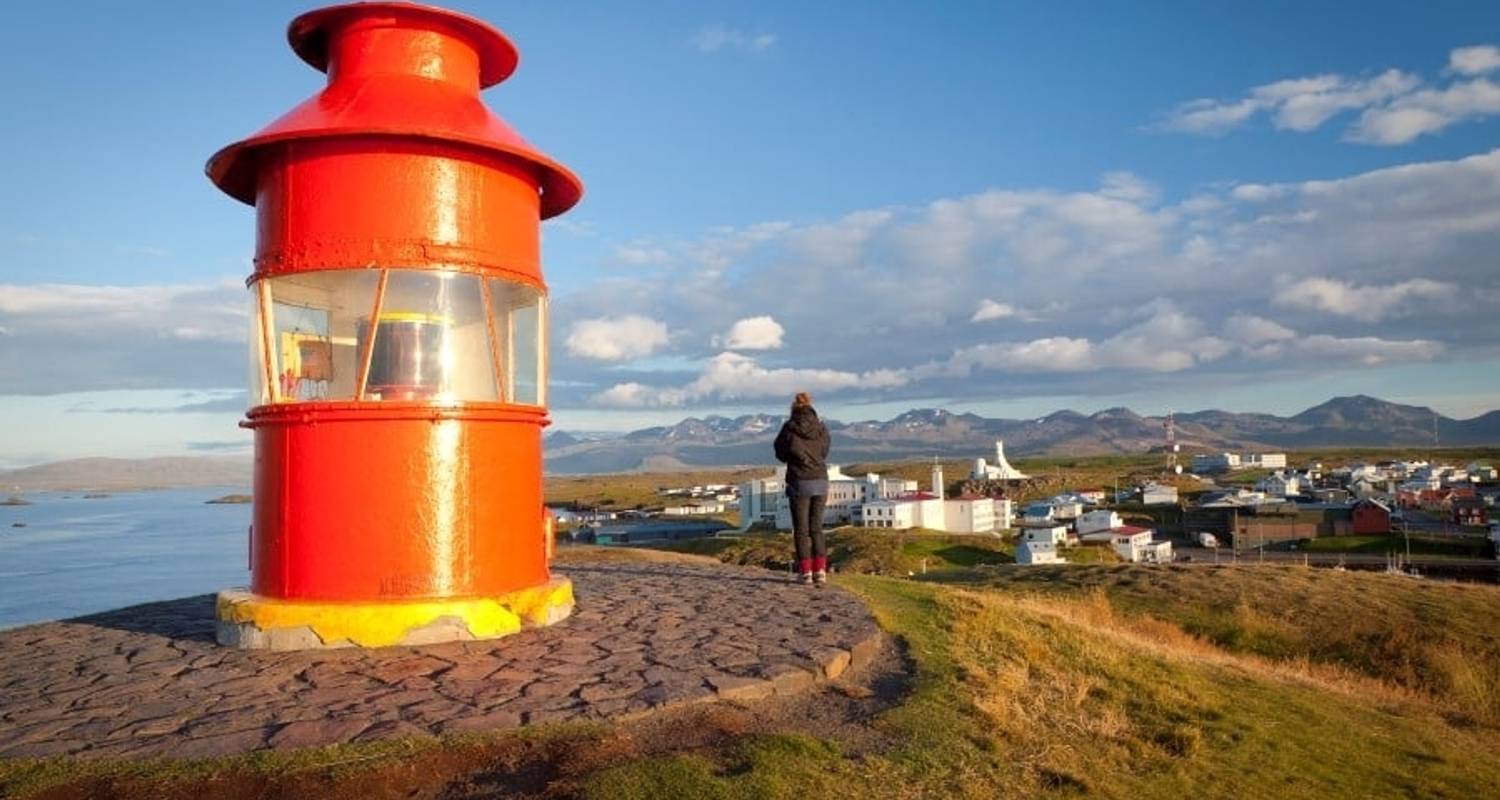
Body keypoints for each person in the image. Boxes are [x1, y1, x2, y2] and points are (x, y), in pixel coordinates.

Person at [773, 392, 831, 585]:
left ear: (793, 409)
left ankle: (805, 572)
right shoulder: (821, 428)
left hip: (799, 482)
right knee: (816, 528)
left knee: (801, 529)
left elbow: (779, 452)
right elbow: (824, 451)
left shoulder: (789, 428)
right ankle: (820, 571)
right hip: (821, 480)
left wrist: (794, 458)